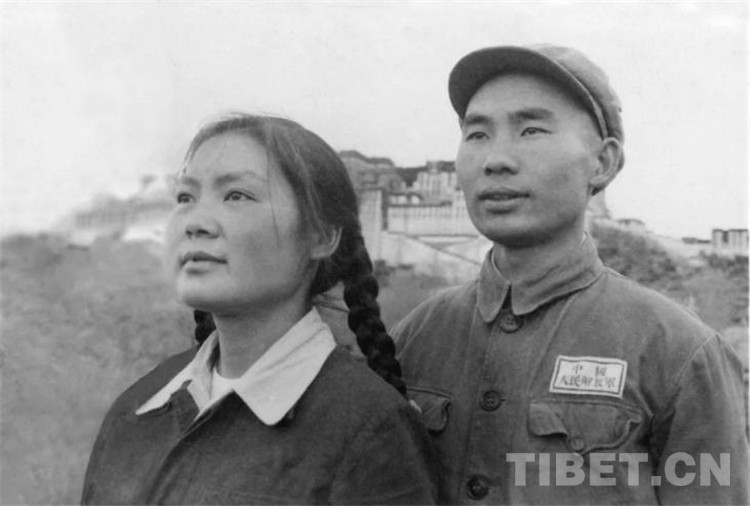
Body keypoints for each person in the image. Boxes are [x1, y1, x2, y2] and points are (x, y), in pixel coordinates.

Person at [392, 44, 748, 504]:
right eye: (477, 134)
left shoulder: (679, 353)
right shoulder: (415, 338)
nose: (495, 159)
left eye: (531, 130)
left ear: (603, 162)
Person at [81, 114, 438, 504]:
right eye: (186, 197)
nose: (195, 222)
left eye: (236, 195)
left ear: (321, 236)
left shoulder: (370, 430)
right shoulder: (138, 406)